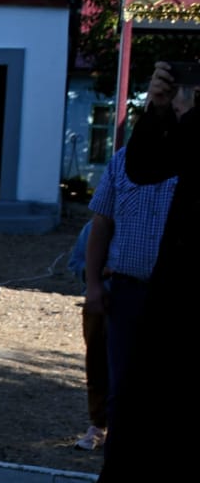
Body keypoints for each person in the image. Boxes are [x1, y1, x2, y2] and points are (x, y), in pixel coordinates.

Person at [73, 59, 199, 483]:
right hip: (142, 298)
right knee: (135, 410)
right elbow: (143, 167)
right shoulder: (149, 150)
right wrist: (155, 111)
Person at [81, 141, 176, 426]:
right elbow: (101, 223)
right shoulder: (124, 159)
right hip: (127, 291)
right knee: (121, 385)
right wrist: (94, 285)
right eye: (156, 97)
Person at [66, 220, 110, 451]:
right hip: (102, 300)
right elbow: (75, 263)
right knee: (97, 362)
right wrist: (94, 275)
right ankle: (98, 424)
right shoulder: (93, 227)